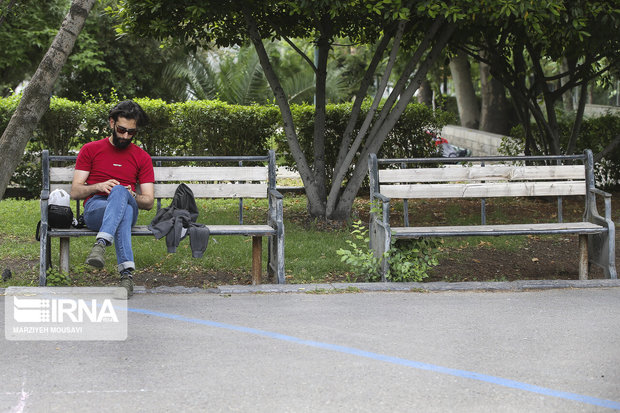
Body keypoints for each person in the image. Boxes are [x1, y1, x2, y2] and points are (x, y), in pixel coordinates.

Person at [70, 100, 154, 298]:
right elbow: (75, 191)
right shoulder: (90, 149)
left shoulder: (142, 157)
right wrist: (98, 186)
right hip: (95, 209)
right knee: (121, 208)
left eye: (131, 132)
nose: (125, 136)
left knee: (120, 193)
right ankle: (127, 278)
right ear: (111, 123)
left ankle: (101, 244)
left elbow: (148, 201)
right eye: (122, 130)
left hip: (128, 205)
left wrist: (130, 194)